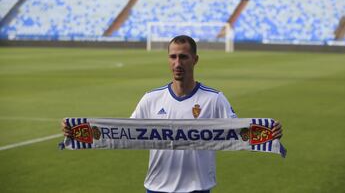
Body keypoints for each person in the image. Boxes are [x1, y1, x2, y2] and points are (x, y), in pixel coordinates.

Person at [62, 35, 282, 193]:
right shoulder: (151, 98)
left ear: (195, 60)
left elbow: (239, 133)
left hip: (198, 187)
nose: (178, 63)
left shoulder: (214, 99)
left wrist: (268, 133)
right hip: (157, 187)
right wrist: (79, 132)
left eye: (184, 57)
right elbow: (122, 133)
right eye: (173, 57)